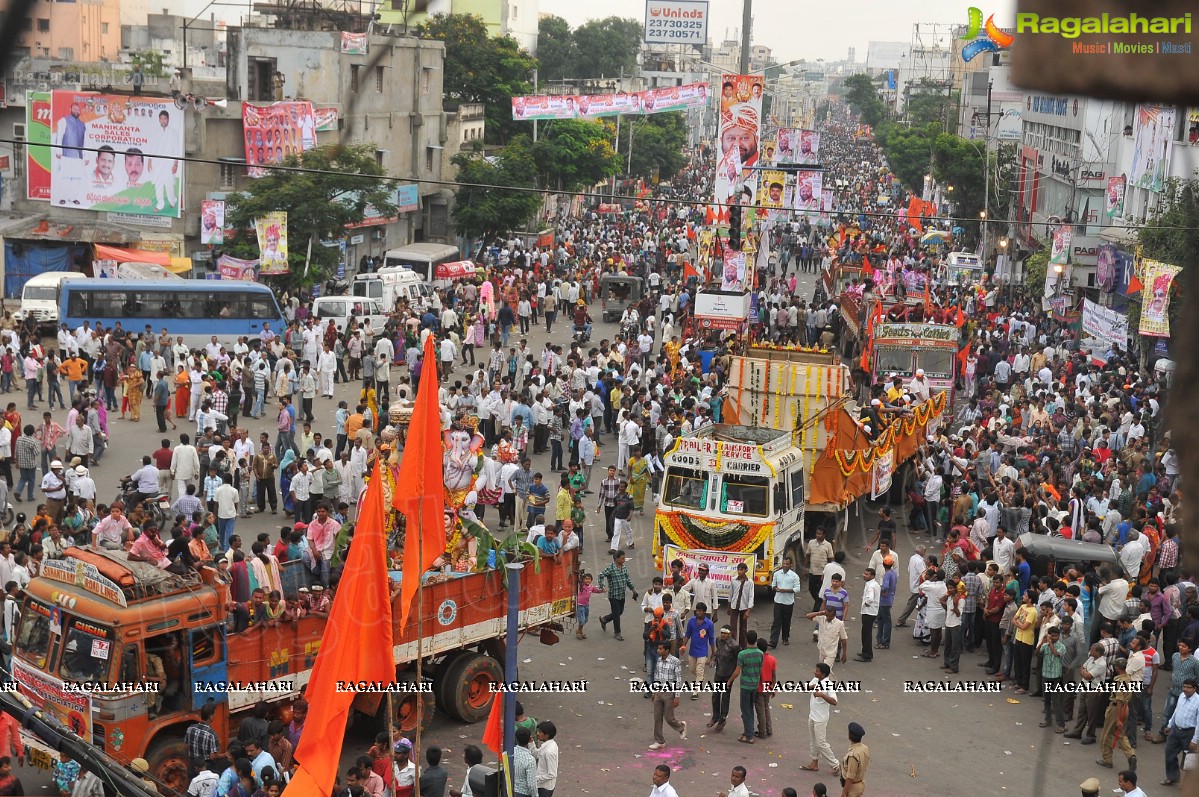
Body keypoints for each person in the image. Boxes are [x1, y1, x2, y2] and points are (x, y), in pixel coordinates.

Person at [726, 629, 764, 744]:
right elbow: (760, 670)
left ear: (746, 640)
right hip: (755, 685)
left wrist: (729, 681)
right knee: (750, 709)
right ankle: (749, 731)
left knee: (746, 710)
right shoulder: (760, 653)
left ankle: (749, 735)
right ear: (756, 640)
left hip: (746, 686)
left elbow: (737, 672)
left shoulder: (742, 654)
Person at [647, 641, 686, 751]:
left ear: (667, 650)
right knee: (657, 717)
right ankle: (659, 741)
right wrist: (654, 692)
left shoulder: (675, 662)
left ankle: (681, 727)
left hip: (669, 693)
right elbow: (656, 676)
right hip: (659, 692)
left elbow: (678, 680)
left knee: (669, 718)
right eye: (658, 648)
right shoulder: (659, 660)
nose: (658, 651)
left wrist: (677, 696)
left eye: (660, 649)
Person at [802, 662, 840, 774]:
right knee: (813, 742)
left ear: (823, 674)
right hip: (812, 716)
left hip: (821, 719)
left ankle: (835, 764)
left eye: (817, 671)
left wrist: (822, 695)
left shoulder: (828, 685)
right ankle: (814, 762)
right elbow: (804, 689)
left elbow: (834, 702)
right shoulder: (815, 680)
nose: (815, 672)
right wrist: (811, 687)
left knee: (821, 743)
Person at [598, 550, 638, 642]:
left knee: (620, 612)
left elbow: (627, 579)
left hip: (621, 594)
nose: (624, 560)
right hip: (613, 595)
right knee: (616, 615)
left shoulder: (623, 567)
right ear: (616, 559)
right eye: (622, 558)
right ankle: (617, 633)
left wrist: (633, 590)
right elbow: (601, 575)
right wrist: (602, 586)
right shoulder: (611, 568)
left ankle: (605, 619)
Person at [769, 556, 801, 648]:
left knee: (786, 621)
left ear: (791, 565)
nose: (785, 565)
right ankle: (773, 641)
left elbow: (797, 588)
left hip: (788, 602)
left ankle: (785, 638)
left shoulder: (794, 576)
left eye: (787, 564)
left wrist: (786, 590)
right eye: (784, 563)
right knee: (776, 621)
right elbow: (773, 585)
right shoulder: (777, 574)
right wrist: (776, 588)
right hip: (778, 601)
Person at [841, 723, 870, 797]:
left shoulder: (853, 755)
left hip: (852, 788)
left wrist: (844, 793)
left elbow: (850, 777)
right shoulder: (864, 748)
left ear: (849, 736)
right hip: (860, 782)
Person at [533, 720, 558, 797]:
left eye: (540, 732)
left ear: (546, 735)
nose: (537, 734)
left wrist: (535, 778)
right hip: (541, 785)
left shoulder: (549, 752)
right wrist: (531, 743)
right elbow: (536, 754)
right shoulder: (548, 745)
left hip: (545, 788)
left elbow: (552, 774)